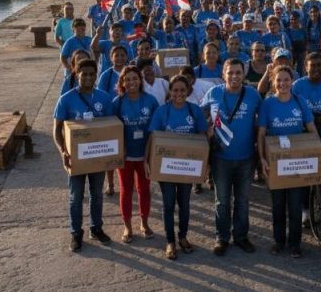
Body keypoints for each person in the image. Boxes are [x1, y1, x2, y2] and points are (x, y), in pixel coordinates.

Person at [201, 59, 262, 255]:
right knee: (222, 201)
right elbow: (200, 115)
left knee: (243, 201)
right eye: (230, 73)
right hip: (221, 158)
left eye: (238, 72)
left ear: (243, 74)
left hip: (246, 157)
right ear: (224, 74)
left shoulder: (252, 94)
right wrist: (206, 129)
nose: (234, 76)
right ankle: (222, 238)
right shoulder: (214, 93)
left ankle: (241, 237)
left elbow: (263, 120)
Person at [53, 59, 113, 251]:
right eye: (84, 74)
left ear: (96, 75)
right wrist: (63, 151)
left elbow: (111, 127)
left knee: (97, 194)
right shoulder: (66, 99)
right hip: (76, 157)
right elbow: (57, 129)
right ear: (76, 74)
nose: (87, 77)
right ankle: (75, 232)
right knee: (75, 196)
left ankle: (96, 228)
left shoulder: (104, 98)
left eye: (91, 74)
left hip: (97, 155)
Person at [257, 65, 317, 257]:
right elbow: (261, 134)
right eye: (279, 80)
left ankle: (295, 244)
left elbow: (311, 128)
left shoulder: (300, 102)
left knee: (295, 204)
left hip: (297, 161)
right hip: (276, 162)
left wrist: (317, 153)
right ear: (273, 82)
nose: (283, 83)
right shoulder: (267, 104)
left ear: (292, 81)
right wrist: (262, 159)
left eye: (286, 80)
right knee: (278, 204)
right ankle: (278, 241)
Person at [148, 74, 208, 259]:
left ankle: (182, 237)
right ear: (170, 92)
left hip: (187, 168)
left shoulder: (194, 111)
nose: (179, 94)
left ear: (188, 91)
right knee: (168, 204)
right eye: (175, 90)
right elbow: (152, 138)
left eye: (182, 90)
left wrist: (206, 165)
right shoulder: (162, 111)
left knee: (184, 204)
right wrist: (146, 161)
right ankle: (170, 241)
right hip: (166, 167)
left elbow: (203, 138)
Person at [111, 66, 160, 243]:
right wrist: (119, 149)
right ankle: (127, 226)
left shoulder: (151, 101)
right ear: (122, 83)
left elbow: (157, 129)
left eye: (135, 78)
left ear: (140, 80)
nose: (131, 82)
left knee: (144, 189)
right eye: (127, 79)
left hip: (145, 155)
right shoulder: (118, 102)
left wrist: (151, 154)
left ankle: (144, 223)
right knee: (125, 190)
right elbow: (112, 129)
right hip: (125, 156)